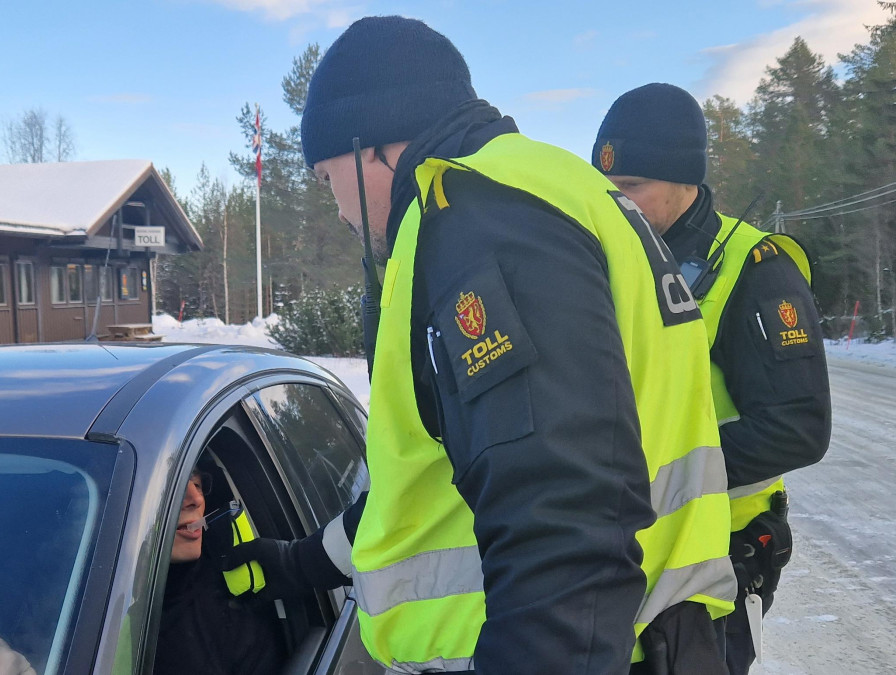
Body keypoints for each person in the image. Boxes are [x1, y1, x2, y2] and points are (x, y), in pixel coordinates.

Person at [225, 16, 737, 674]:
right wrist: (293, 564)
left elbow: (560, 528)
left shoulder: (477, 219)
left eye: (328, 181)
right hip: (652, 638)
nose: (341, 212)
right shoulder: (554, 189)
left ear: (368, 146)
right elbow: (443, 489)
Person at [592, 83, 832, 675]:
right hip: (630, 551)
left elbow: (798, 428)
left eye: (632, 189)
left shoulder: (755, 268)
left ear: (686, 180)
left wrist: (643, 471)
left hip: (715, 563)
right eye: (607, 191)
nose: (616, 204)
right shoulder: (618, 261)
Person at [0, 468, 283, 675]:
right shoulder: (30, 582)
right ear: (76, 516)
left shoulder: (230, 615)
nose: (194, 498)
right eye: (173, 485)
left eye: (196, 482)